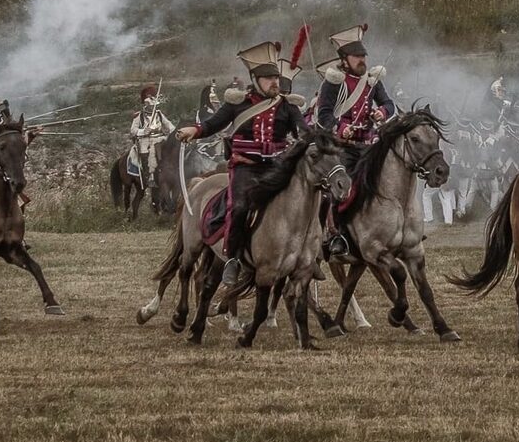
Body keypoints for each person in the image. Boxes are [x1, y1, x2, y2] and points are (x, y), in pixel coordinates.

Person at [175, 42, 305, 293]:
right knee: (241, 205)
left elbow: (304, 129)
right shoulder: (238, 104)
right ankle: (233, 259)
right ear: (255, 79)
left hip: (277, 169)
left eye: (276, 77)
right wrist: (195, 130)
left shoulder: (288, 106)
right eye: (268, 78)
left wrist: (317, 137)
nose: (274, 82)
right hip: (246, 169)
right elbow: (213, 124)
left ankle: (308, 252)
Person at [315, 24, 396, 256]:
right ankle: (338, 234)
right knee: (343, 189)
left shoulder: (372, 81)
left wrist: (382, 113)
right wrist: (341, 128)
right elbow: (324, 115)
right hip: (343, 148)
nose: (362, 60)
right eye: (357, 56)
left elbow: (389, 104)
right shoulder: (333, 83)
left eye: (363, 56)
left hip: (368, 145)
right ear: (344, 58)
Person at [129, 85, 173, 186]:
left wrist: (176, 132)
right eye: (151, 105)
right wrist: (144, 131)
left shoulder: (159, 114)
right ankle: (149, 175)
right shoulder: (139, 116)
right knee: (146, 152)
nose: (153, 107)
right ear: (146, 104)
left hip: (159, 138)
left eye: (154, 105)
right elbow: (133, 131)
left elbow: (169, 125)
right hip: (145, 140)